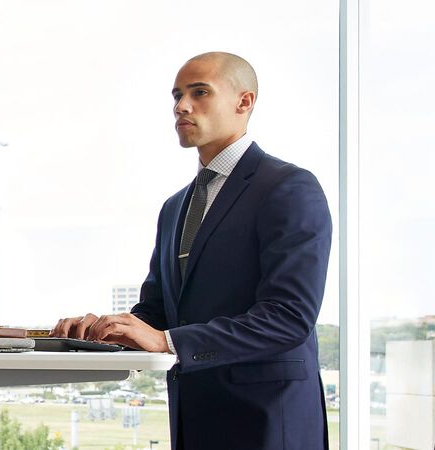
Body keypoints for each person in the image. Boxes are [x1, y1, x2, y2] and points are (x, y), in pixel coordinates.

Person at [49, 52, 331, 449]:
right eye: (177, 95)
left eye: (200, 93)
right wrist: (101, 330)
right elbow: (157, 312)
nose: (182, 106)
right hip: (194, 417)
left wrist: (169, 342)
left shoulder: (288, 187)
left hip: (267, 421)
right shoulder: (175, 206)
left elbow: (288, 317)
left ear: (244, 102)